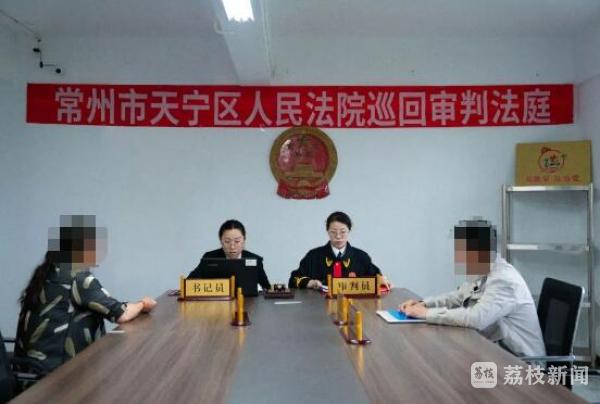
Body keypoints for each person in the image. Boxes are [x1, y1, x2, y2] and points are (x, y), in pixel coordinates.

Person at [14, 215, 156, 377]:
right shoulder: (77, 277)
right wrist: (143, 304)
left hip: (29, 372)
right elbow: (121, 313)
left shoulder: (48, 271)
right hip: (55, 377)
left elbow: (107, 306)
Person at [399, 218, 545, 357]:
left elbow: (476, 318)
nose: (460, 258)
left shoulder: (503, 280)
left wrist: (427, 313)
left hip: (521, 363)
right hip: (495, 350)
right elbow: (457, 296)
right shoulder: (484, 270)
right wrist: (423, 304)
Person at [288, 211, 388, 289]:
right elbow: (294, 279)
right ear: (327, 231)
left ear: (349, 231)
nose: (338, 236)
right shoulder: (314, 256)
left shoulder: (361, 257)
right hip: (320, 306)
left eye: (343, 232)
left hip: (353, 306)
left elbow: (377, 279)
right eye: (333, 232)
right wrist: (309, 283)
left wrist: (381, 280)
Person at [188, 220, 271, 290]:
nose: (232, 246)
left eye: (237, 241)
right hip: (218, 303)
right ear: (221, 241)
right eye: (227, 241)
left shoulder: (255, 260)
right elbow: (190, 282)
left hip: (247, 302)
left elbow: (267, 288)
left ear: (244, 240)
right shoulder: (209, 257)